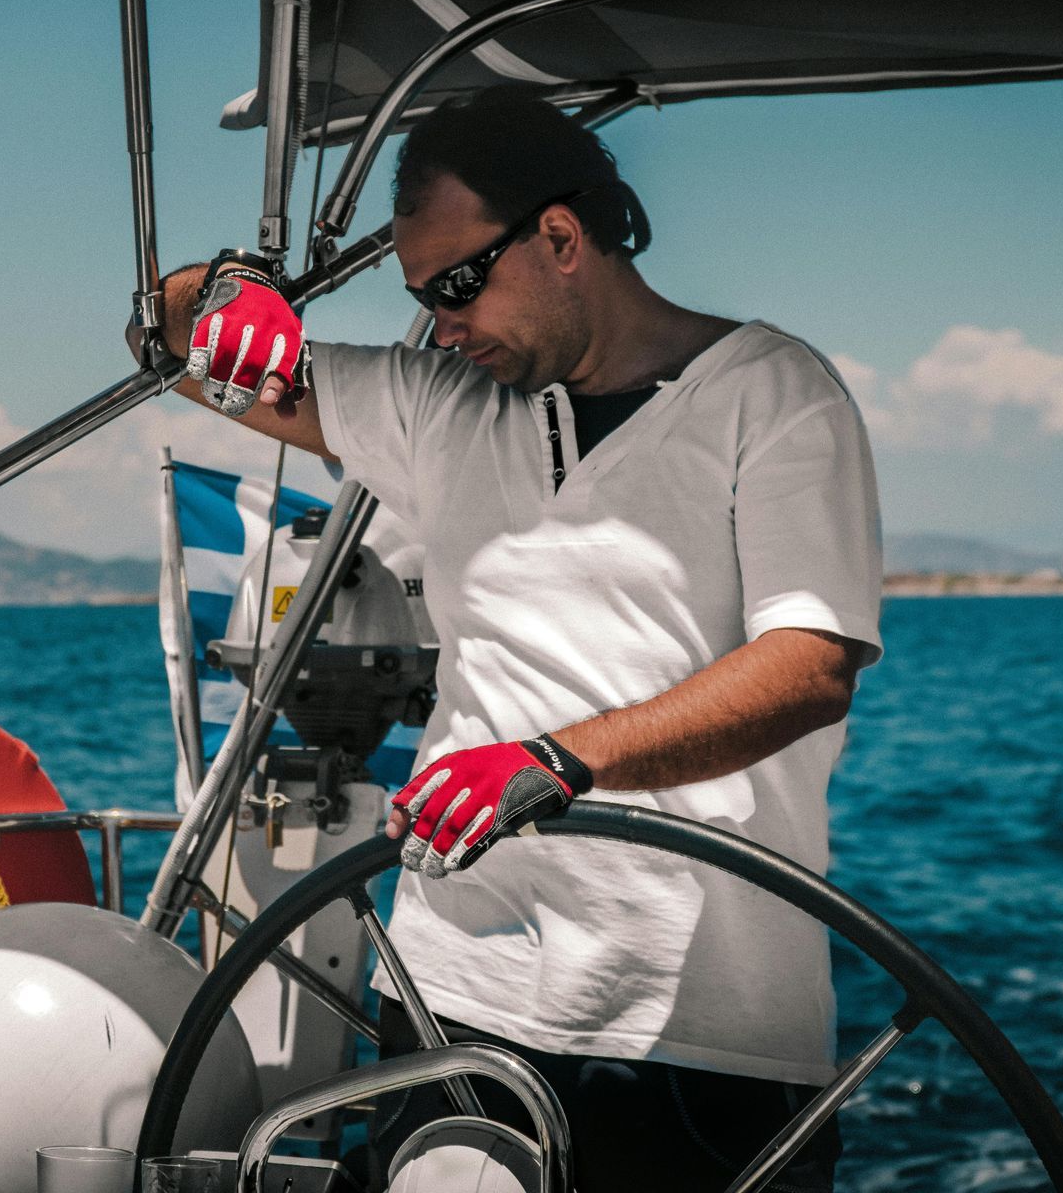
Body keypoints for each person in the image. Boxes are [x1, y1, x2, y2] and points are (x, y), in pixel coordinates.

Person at [146, 86, 882, 1191]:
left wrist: (555, 760)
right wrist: (227, 291)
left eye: (456, 287)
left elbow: (809, 667)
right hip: (455, 1002)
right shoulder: (436, 406)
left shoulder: (775, 398)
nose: (440, 326)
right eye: (422, 297)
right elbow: (173, 343)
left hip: (703, 1028)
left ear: (561, 236)